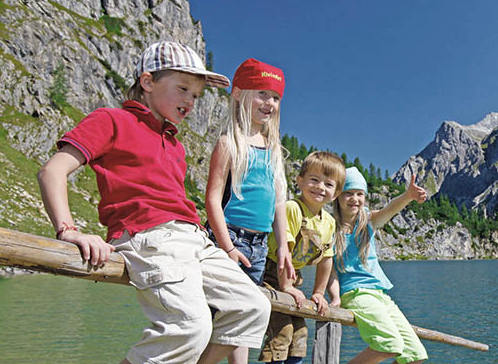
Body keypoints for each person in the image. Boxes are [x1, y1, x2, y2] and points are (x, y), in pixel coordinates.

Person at [37, 41, 271, 364]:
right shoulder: (112, 120)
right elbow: (52, 171)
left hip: (194, 239)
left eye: (196, 95)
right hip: (149, 235)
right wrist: (69, 230)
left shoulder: (175, 144)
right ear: (147, 82)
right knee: (190, 326)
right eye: (183, 89)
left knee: (254, 307)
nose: (190, 101)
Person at [205, 58, 296, 364]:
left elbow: (278, 204)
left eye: (275, 97)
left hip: (258, 247)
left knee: (242, 323)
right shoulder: (229, 143)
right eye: (262, 93)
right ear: (238, 93)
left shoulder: (272, 150)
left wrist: (283, 247)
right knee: (221, 318)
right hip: (228, 240)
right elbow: (213, 199)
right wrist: (227, 247)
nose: (269, 102)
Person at [328, 167, 429, 364]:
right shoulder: (330, 228)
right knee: (388, 344)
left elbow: (389, 209)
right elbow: (328, 269)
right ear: (338, 196)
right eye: (348, 193)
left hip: (380, 294)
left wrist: (408, 196)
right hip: (356, 293)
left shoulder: (367, 221)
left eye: (359, 194)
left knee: (415, 355)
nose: (354, 199)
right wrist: (334, 298)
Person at [259, 151, 346, 364]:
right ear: (299, 181)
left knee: (300, 333)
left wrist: (318, 292)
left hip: (291, 276)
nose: (320, 187)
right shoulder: (292, 209)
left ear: (336, 193)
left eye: (328, 184)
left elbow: (326, 260)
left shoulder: (329, 222)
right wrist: (286, 286)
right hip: (270, 273)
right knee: (282, 330)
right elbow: (284, 250)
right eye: (314, 180)